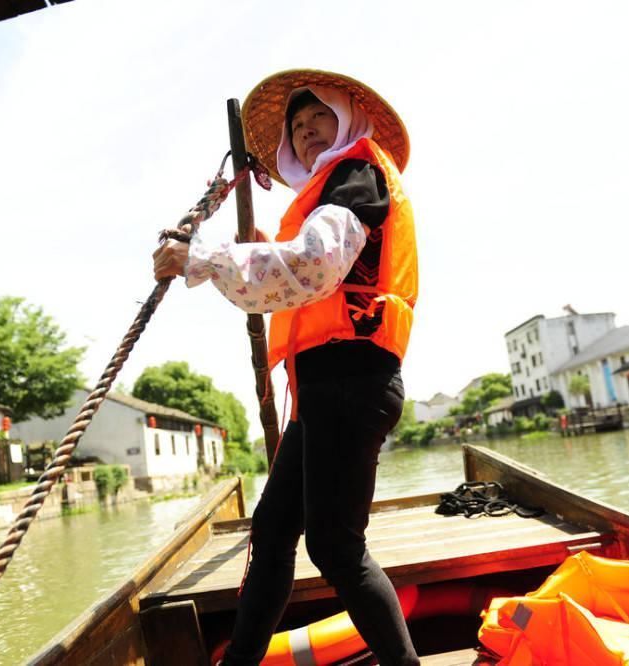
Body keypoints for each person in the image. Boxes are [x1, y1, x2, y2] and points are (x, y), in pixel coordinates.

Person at [153, 69, 419, 666]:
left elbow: (313, 265)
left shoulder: (358, 174)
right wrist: (246, 247)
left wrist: (201, 257)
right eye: (296, 127)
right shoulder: (326, 193)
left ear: (346, 115)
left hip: (353, 384)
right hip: (323, 393)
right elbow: (295, 269)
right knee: (272, 533)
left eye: (317, 116)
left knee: (335, 547)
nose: (305, 132)